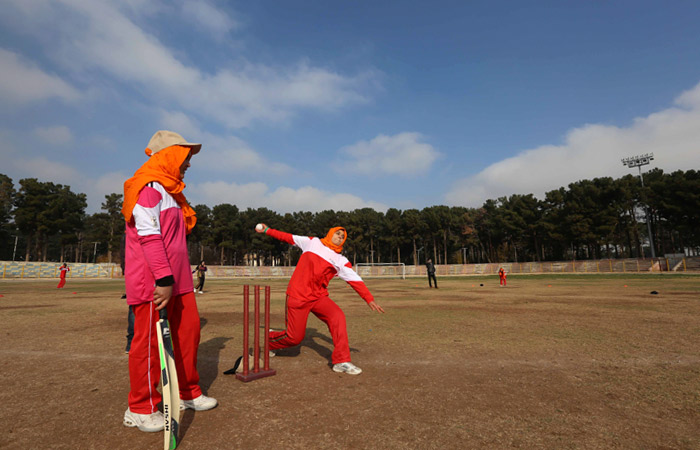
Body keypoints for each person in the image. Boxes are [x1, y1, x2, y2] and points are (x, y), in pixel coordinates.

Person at [121, 130, 217, 433]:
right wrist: (163, 278)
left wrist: (175, 278)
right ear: (169, 156)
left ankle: (188, 392)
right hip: (155, 280)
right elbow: (149, 237)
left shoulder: (172, 192)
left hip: (180, 279)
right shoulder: (148, 187)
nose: (188, 164)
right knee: (149, 344)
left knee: (188, 333)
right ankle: (140, 407)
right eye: (185, 157)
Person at [256, 223, 384, 375]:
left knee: (337, 316)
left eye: (343, 237)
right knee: (294, 338)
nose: (340, 237)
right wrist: (267, 230)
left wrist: (369, 299)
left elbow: (355, 280)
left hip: (318, 297)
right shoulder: (312, 242)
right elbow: (288, 237)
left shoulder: (340, 260)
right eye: (338, 234)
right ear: (331, 233)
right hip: (298, 296)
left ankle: (341, 361)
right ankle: (270, 339)